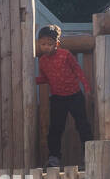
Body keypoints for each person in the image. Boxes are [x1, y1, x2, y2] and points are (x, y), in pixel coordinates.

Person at [35, 24, 92, 167]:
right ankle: (54, 158)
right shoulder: (42, 61)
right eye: (43, 44)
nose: (46, 47)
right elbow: (45, 79)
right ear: (38, 44)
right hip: (57, 98)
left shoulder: (65, 55)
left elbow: (78, 71)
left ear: (57, 44)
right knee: (55, 128)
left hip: (74, 96)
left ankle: (90, 155)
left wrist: (86, 88)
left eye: (49, 44)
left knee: (82, 125)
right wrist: (32, 80)